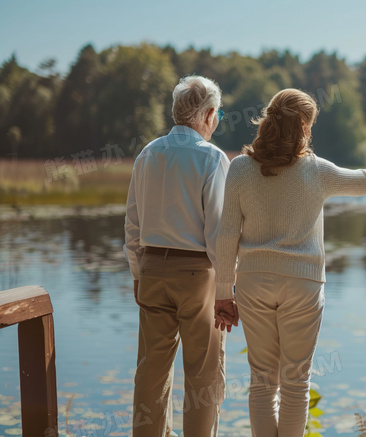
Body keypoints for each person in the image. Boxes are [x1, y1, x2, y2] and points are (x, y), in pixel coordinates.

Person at [214, 88, 366, 437]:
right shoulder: (315, 171)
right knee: (295, 383)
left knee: (261, 383)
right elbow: (362, 180)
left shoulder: (240, 168)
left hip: (254, 283)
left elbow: (225, 234)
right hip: (303, 285)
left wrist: (223, 292)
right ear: (302, 125)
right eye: (310, 125)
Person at [124, 75, 233, 437]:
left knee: (151, 369)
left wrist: (138, 273)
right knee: (203, 373)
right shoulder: (213, 159)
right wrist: (227, 290)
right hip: (198, 273)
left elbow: (133, 223)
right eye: (216, 115)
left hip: (152, 267)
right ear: (209, 115)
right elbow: (219, 232)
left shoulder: (148, 153)